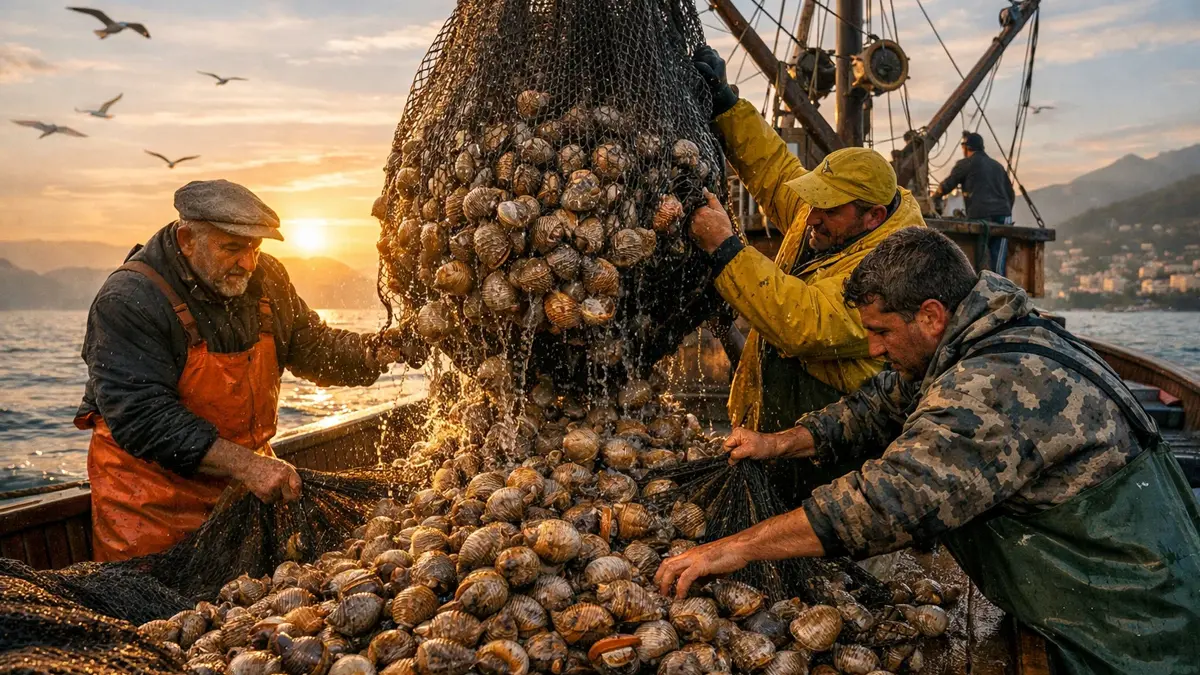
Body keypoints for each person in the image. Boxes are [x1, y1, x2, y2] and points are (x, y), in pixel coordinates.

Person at [656, 227, 1200, 674]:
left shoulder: (991, 385)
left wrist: (737, 548)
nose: (872, 348)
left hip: (1133, 630)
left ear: (931, 315)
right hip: (1098, 593)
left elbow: (888, 501)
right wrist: (779, 442)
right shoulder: (979, 336)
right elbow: (878, 405)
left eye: (880, 332)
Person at [75, 179, 422, 562]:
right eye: (232, 248)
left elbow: (315, 348)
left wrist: (381, 350)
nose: (248, 263)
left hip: (241, 496)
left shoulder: (265, 278)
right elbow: (144, 418)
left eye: (254, 248)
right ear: (187, 239)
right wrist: (248, 465)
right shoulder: (130, 300)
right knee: (159, 597)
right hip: (151, 510)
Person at [690, 45, 927, 504]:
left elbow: (806, 323)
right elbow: (775, 171)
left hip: (834, 457)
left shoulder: (897, 273)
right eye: (814, 202)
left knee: (817, 533)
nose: (811, 217)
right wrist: (727, 105)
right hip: (774, 437)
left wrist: (726, 249)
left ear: (874, 217)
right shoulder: (831, 216)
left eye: (828, 209)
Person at [932, 131, 1016, 271]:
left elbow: (946, 185)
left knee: (978, 260)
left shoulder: (965, 164)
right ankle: (998, 282)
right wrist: (1004, 211)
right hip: (1003, 216)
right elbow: (1011, 195)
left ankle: (979, 280)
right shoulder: (998, 166)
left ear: (967, 147)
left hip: (979, 216)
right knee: (998, 260)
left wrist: (934, 198)